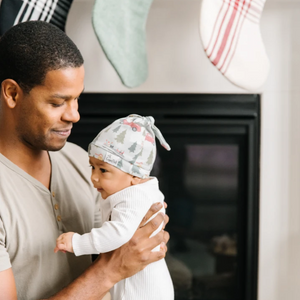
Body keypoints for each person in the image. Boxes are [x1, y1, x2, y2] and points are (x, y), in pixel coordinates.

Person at [0, 21, 169, 300]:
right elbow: (112, 266)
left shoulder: (84, 163)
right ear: (13, 93)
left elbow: (123, 248)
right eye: (58, 103)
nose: (74, 115)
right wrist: (110, 271)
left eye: (77, 99)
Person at [55, 114, 174, 300]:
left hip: (142, 292)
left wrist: (77, 243)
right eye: (92, 167)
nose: (94, 177)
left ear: (135, 175)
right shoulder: (134, 189)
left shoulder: (134, 197)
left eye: (103, 170)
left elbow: (118, 233)